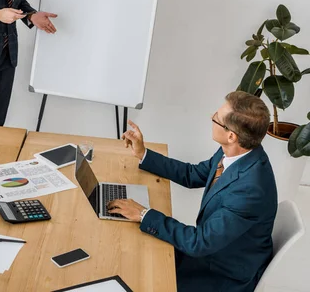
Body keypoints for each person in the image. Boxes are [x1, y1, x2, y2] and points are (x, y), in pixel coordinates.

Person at [109, 91, 277, 292]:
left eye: (216, 117)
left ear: (231, 135)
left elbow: (199, 242)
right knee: (134, 250)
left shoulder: (251, 189)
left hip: (222, 272)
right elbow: (192, 174)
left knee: (141, 277)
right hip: (212, 248)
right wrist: (142, 153)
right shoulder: (235, 151)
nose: (211, 118)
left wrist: (143, 214)